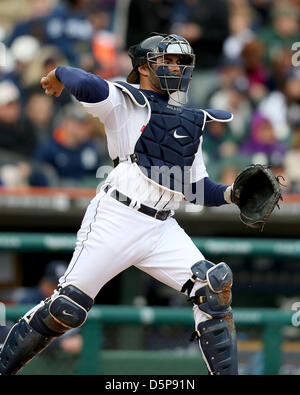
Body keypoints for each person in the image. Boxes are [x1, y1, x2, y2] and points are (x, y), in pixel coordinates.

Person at [0, 33, 238, 375]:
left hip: (162, 228)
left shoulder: (191, 120)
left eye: (180, 62)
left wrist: (232, 194)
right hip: (118, 215)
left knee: (214, 289)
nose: (176, 68)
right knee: (68, 307)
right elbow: (86, 83)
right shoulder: (124, 100)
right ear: (143, 66)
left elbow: (197, 189)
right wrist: (59, 73)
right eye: (166, 61)